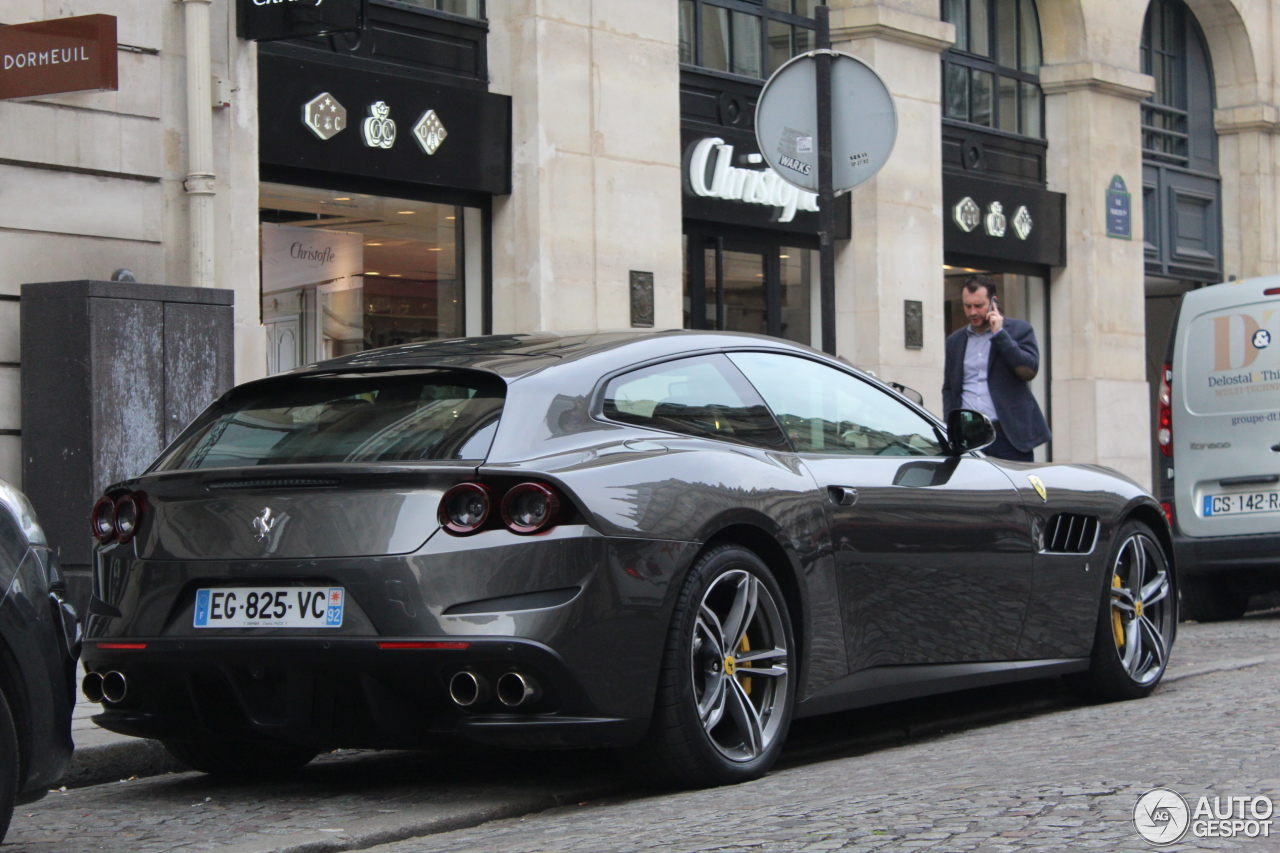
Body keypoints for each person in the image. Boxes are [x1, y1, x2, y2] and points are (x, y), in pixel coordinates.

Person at [942, 275, 1050, 462]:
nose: (972, 312)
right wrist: (951, 426)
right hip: (969, 437)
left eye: (979, 306)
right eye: (967, 306)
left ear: (993, 302)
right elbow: (950, 388)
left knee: (1014, 490)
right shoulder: (955, 341)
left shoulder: (1019, 330)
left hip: (1007, 436)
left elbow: (1028, 371)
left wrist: (1000, 335)